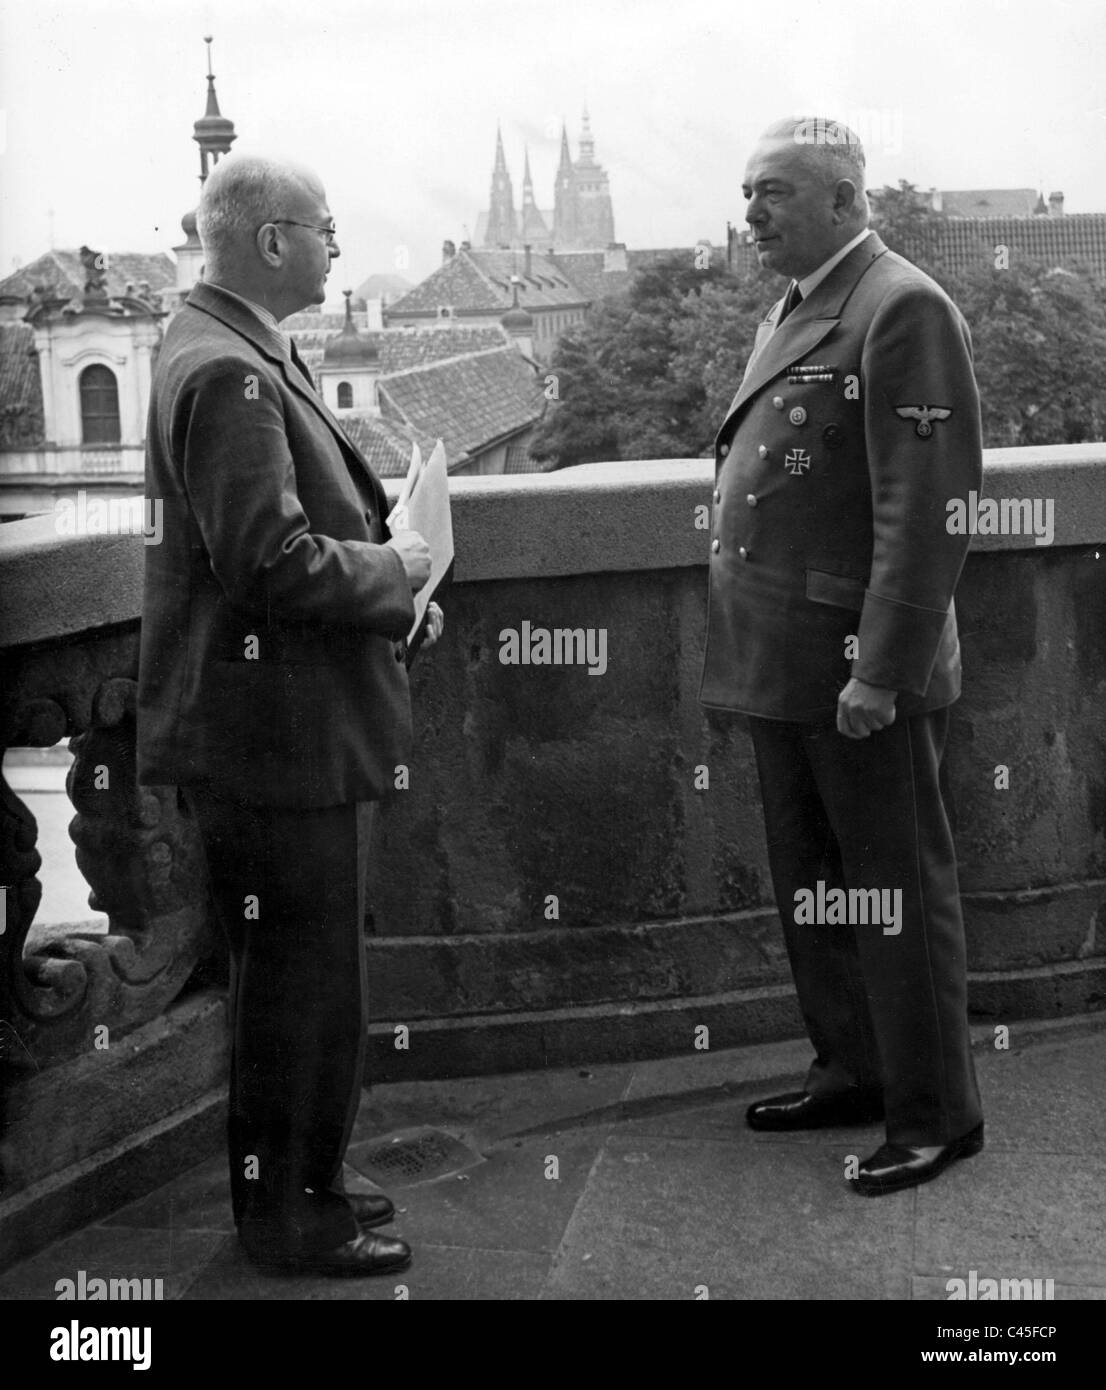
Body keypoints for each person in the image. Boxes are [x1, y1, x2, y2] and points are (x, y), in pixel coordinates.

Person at [138, 154, 443, 1273]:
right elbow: (266, 561)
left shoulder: (229, 342)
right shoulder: (231, 369)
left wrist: (389, 599)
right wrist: (394, 569)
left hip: (282, 723)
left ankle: (311, 1177)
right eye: (323, 229)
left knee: (308, 979)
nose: (334, 248)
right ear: (270, 241)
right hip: (273, 737)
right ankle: (283, 1217)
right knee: (293, 989)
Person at [700, 116, 984, 1196]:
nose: (751, 213)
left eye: (772, 191)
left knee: (896, 891)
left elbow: (927, 511)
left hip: (852, 664)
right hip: (781, 659)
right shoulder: (797, 302)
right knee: (816, 886)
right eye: (746, 190)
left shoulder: (898, 305)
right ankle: (852, 1067)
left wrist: (880, 669)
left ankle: (936, 1112)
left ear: (844, 200)